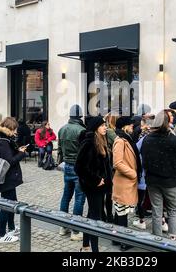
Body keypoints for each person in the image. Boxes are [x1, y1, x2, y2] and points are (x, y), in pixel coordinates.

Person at [140, 110, 176, 239]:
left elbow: (144, 158)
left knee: (157, 211)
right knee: (172, 210)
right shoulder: (174, 140)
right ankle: (173, 239)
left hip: (153, 180)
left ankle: (157, 239)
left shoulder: (147, 139)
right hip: (170, 181)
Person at [75, 116, 112, 252]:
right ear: (96, 127)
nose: (105, 127)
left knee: (92, 214)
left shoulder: (101, 139)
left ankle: (85, 246)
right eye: (102, 125)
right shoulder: (89, 142)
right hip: (93, 187)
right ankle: (94, 250)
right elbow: (79, 167)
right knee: (95, 219)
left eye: (105, 125)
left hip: (100, 186)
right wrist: (96, 180)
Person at [0, 117, 27, 243]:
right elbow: (9, 161)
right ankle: (1, 235)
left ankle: (11, 228)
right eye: (14, 129)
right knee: (5, 206)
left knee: (12, 203)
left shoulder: (3, 139)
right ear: (9, 128)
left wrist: (18, 150)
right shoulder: (3, 141)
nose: (16, 131)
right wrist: (21, 154)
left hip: (8, 178)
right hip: (6, 178)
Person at [57, 105, 86, 242]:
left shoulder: (62, 129)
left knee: (66, 195)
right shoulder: (82, 130)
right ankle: (76, 230)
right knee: (79, 198)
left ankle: (63, 227)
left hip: (67, 165)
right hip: (79, 167)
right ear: (80, 116)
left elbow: (60, 151)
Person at [112, 116, 141, 251]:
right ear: (124, 127)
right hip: (123, 181)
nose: (132, 127)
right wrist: (133, 173)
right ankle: (123, 241)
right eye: (130, 125)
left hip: (125, 181)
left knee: (120, 211)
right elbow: (117, 163)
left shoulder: (125, 138)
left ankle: (116, 238)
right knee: (122, 212)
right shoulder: (120, 141)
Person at [134, 114, 155, 230]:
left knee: (141, 198)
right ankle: (162, 221)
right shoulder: (161, 136)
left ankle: (142, 220)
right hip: (155, 174)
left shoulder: (143, 138)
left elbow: (136, 153)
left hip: (143, 172)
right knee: (156, 198)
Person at [103, 113, 118, 223]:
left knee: (107, 192)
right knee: (108, 192)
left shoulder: (107, 130)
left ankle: (106, 214)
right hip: (109, 163)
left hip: (109, 163)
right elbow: (118, 142)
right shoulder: (110, 131)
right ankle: (107, 215)